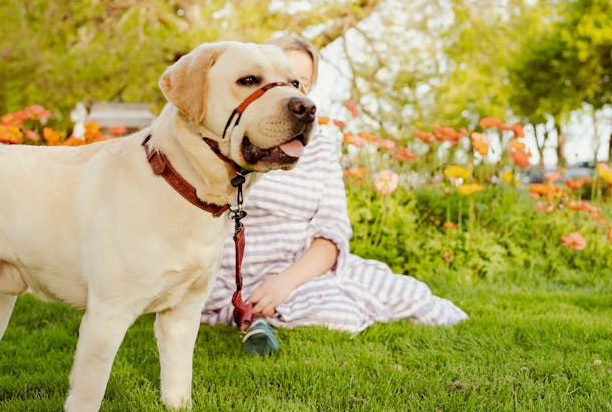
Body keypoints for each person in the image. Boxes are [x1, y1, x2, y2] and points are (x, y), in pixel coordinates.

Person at [200, 36, 467, 354]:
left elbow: (332, 229)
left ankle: (272, 309)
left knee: (415, 294)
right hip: (235, 274)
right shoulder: (229, 139)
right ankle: (253, 312)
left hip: (300, 267)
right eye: (276, 81)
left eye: (299, 83)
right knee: (337, 314)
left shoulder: (320, 147)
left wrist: (286, 282)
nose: (290, 94)